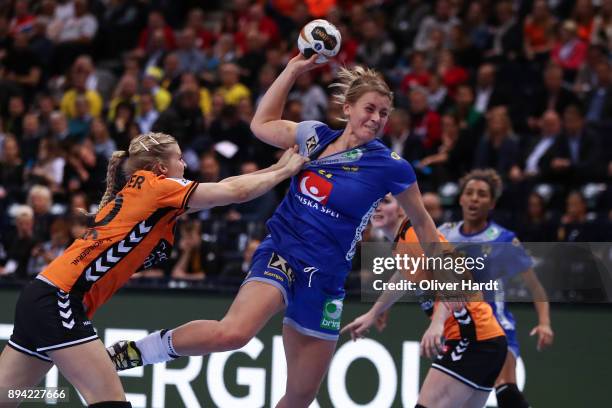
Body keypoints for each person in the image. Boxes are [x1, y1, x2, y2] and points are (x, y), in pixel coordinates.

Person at [107, 54, 442, 408]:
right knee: (233, 333)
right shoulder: (313, 136)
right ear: (347, 108)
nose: (376, 119)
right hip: (283, 252)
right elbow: (261, 123)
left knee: (300, 397)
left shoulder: (391, 167)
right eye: (369, 109)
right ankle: (135, 352)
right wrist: (294, 68)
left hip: (326, 278)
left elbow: (421, 221)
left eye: (384, 114)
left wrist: (443, 275)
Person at [0, 132, 306, 408]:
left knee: (9, 395)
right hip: (61, 301)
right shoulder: (159, 188)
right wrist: (285, 171)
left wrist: (279, 168)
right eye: (180, 159)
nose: (185, 164)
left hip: (41, 295)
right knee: (109, 403)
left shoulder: (146, 196)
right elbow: (237, 192)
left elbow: (228, 187)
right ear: (161, 168)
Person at [343, 194, 507, 408]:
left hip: (472, 338)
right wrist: (374, 312)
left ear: (402, 207)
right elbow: (403, 274)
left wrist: (437, 324)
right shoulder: (404, 240)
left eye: (385, 201)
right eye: (374, 202)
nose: (377, 207)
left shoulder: (414, 236)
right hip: (488, 340)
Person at [437, 168, 554, 408]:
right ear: (460, 198)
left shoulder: (503, 239)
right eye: (469, 193)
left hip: (497, 327)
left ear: (491, 203)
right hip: (460, 329)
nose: (474, 198)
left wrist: (544, 322)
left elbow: (536, 287)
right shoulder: (444, 233)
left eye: (481, 194)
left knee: (507, 391)